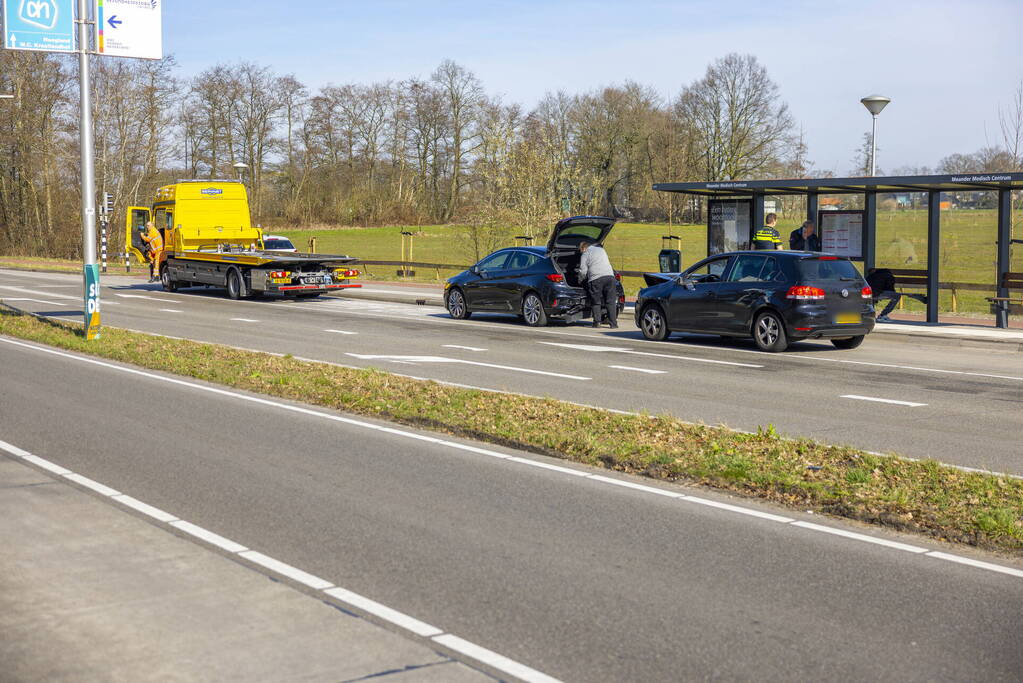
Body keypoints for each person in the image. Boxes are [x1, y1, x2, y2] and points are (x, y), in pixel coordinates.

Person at [576, 239, 618, 328]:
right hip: (610, 277)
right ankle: (613, 324)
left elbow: (583, 271)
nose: (581, 252)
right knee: (610, 302)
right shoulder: (601, 250)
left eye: (580, 250)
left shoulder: (585, 254)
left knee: (596, 302)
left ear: (583, 248)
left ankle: (597, 322)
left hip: (596, 279)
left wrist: (580, 280)